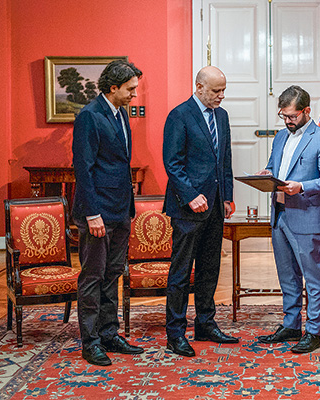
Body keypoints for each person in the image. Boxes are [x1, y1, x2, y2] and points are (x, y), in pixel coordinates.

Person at [256, 85, 320, 353]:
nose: (287, 121)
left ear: (306, 111)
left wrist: (301, 187)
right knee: (287, 276)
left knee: (312, 276)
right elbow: (274, 166)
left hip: (306, 214)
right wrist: (265, 173)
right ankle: (291, 324)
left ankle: (313, 331)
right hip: (279, 214)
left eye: (292, 116)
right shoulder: (280, 137)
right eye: (283, 116)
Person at [72, 60, 145, 366]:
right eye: (130, 89)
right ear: (113, 88)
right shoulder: (89, 116)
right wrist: (91, 214)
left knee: (112, 274)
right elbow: (84, 169)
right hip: (98, 212)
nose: (134, 95)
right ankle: (90, 342)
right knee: (92, 276)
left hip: (119, 211)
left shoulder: (121, 114)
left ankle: (109, 333)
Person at [162, 66, 237, 357]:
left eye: (223, 90)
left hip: (216, 206)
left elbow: (225, 159)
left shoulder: (222, 116)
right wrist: (191, 195)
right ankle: (175, 333)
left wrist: (228, 197)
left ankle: (205, 323)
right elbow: (173, 163)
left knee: (210, 268)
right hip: (187, 208)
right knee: (181, 272)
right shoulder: (179, 115)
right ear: (199, 86)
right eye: (216, 90)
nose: (221, 96)